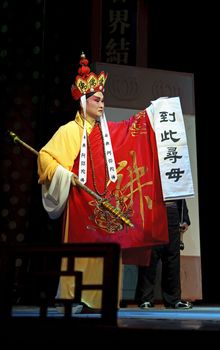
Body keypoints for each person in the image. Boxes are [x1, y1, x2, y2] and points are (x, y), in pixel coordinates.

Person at [37, 52, 171, 311]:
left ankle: (101, 300)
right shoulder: (69, 131)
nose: (102, 105)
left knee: (108, 252)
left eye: (103, 100)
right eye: (97, 100)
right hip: (80, 206)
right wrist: (66, 175)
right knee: (81, 256)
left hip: (100, 204)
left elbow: (129, 133)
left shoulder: (106, 133)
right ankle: (75, 297)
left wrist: (151, 113)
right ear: (84, 102)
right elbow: (46, 158)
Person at [135, 199, 192, 309]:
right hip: (151, 212)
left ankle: (173, 300)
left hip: (172, 213)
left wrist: (184, 218)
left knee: (172, 260)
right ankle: (145, 298)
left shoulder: (174, 180)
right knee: (149, 258)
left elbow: (181, 192)